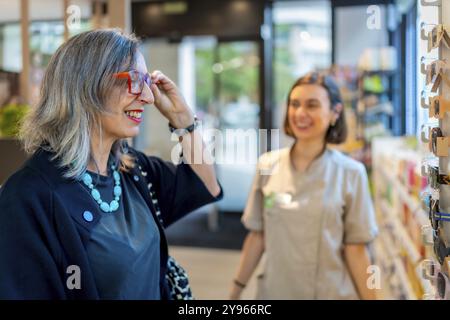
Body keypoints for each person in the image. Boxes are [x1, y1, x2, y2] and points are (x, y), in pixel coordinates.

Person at [0, 29, 222, 299]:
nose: (149, 98)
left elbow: (206, 185)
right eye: (134, 80)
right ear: (85, 85)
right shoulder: (29, 195)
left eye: (147, 83)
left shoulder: (132, 170)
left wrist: (183, 120)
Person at [229, 72, 378, 300]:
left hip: (331, 293)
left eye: (312, 105)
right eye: (294, 104)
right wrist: (235, 291)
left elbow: (357, 249)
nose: (300, 114)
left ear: (334, 113)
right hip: (275, 292)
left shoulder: (351, 173)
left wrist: (374, 297)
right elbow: (257, 235)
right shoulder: (267, 165)